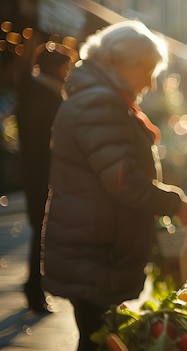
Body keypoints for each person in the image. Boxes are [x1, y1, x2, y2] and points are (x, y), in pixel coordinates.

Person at [40, 20, 187, 351]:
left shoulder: (99, 98)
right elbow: (122, 180)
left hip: (96, 246)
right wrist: (174, 204)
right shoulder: (99, 103)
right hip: (96, 251)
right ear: (123, 63)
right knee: (96, 339)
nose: (151, 83)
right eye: (149, 70)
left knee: (98, 336)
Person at [14, 41, 74, 314]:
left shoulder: (33, 91)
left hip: (34, 171)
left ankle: (34, 287)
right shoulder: (48, 97)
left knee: (40, 230)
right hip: (45, 174)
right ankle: (34, 289)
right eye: (66, 67)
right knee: (42, 231)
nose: (67, 73)